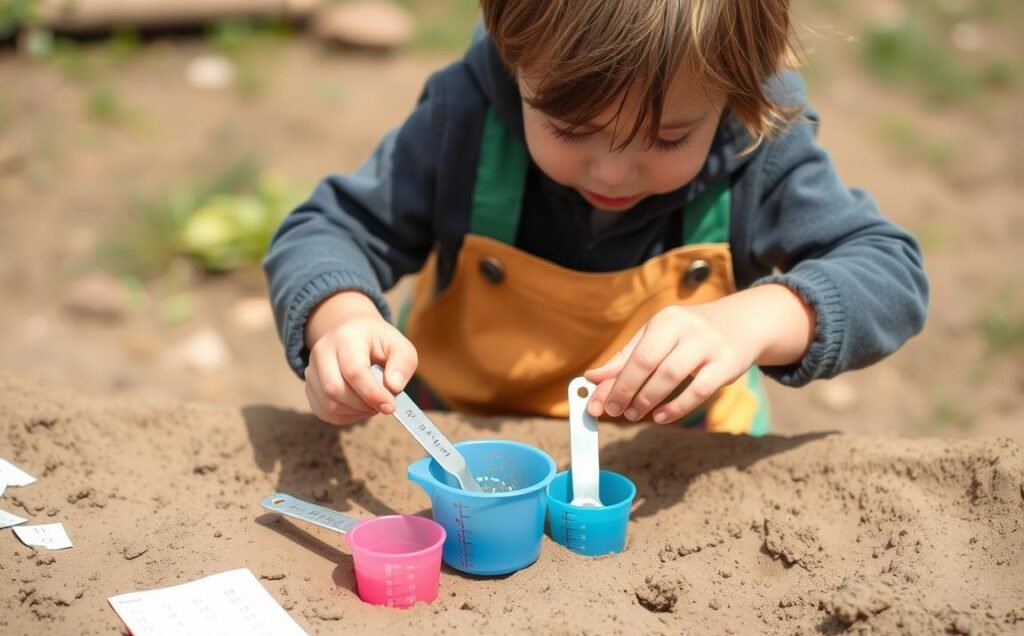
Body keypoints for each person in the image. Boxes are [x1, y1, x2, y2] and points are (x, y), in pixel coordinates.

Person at [263, 0, 929, 436]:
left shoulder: (761, 142)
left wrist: (760, 319)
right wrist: (341, 318)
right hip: (458, 439)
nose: (612, 172)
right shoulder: (462, 121)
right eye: (571, 127)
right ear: (514, 54)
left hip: (673, 463)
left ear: (734, 89)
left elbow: (889, 272)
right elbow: (326, 229)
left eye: (669, 139)